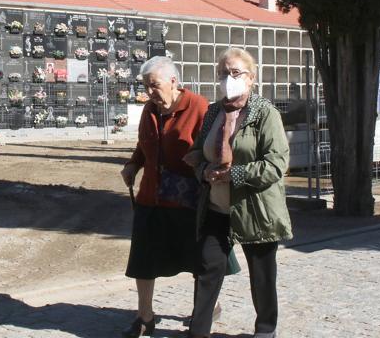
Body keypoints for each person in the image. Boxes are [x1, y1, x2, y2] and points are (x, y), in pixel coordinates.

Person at [183, 48, 293, 338]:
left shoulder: (265, 113)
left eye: (235, 73)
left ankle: (265, 330)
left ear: (251, 78)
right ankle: (198, 332)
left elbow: (276, 164)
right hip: (217, 207)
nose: (227, 79)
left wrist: (235, 174)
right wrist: (203, 171)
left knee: (262, 276)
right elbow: (198, 152)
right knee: (207, 269)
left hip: (255, 209)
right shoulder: (213, 112)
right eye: (223, 73)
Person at [120, 56, 209, 337]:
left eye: (154, 85)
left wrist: (197, 161)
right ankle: (145, 316)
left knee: (199, 261)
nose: (149, 93)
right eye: (146, 86)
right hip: (151, 197)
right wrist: (134, 163)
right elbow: (144, 143)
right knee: (143, 259)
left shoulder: (198, 107)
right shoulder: (150, 109)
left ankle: (205, 311)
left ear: (173, 81)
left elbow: (212, 148)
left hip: (186, 200)